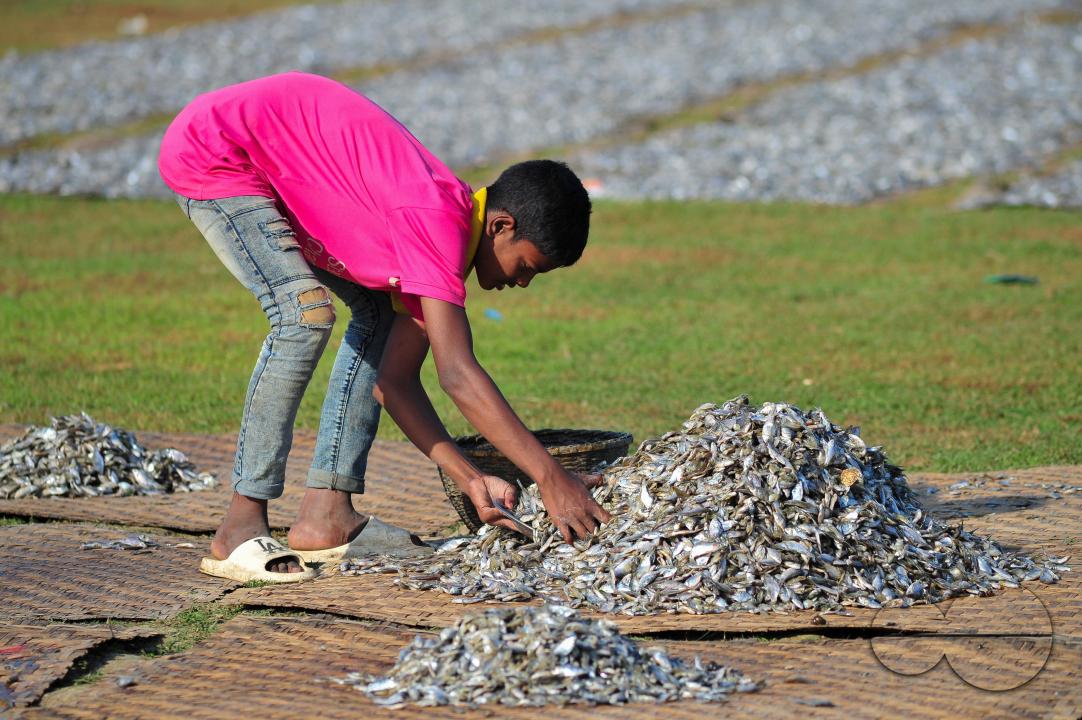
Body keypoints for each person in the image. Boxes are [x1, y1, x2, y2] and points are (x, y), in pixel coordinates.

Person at [158, 71, 609, 582]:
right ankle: (237, 529)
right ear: (501, 225)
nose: (522, 284)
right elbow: (457, 374)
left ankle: (326, 517)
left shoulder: (446, 235)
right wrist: (550, 478)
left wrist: (471, 477)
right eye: (526, 266)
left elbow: (394, 382)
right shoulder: (436, 220)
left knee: (377, 315)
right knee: (303, 314)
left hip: (275, 159)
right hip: (216, 151)